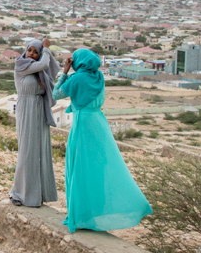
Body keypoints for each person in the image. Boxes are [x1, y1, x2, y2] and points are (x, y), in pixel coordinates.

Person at [52, 49, 152, 231]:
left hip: (83, 125)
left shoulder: (77, 79)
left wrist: (64, 72)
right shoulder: (98, 77)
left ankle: (81, 216)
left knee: (79, 168)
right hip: (99, 123)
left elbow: (56, 94)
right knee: (97, 167)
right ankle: (96, 214)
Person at [10, 38, 60, 207]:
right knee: (27, 151)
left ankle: (37, 194)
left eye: (35, 51)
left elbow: (51, 73)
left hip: (39, 112)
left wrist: (66, 70)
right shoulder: (21, 65)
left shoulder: (39, 73)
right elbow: (45, 63)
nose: (31, 54)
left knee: (40, 152)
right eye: (29, 50)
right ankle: (18, 193)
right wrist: (46, 48)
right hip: (27, 109)